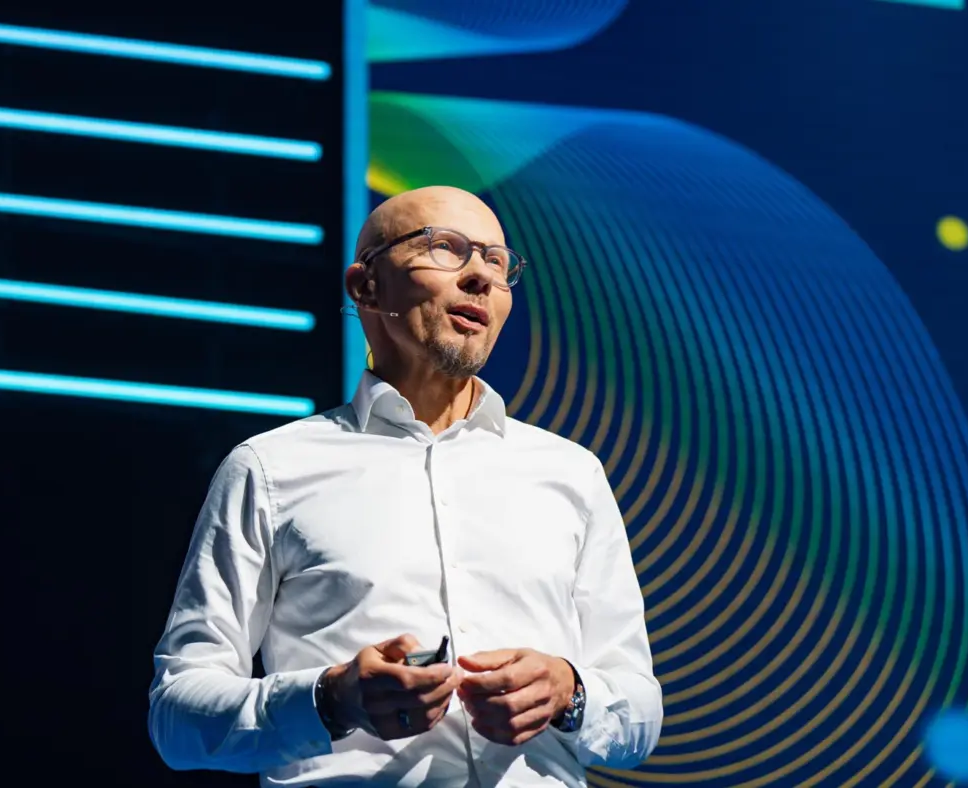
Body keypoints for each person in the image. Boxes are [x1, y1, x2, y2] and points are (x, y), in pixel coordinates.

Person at [147, 185, 662, 786]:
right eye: (446, 247)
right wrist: (330, 699)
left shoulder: (571, 472)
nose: (481, 278)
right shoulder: (269, 469)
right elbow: (177, 717)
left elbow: (639, 711)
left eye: (497, 262)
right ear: (366, 286)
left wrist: (568, 692)